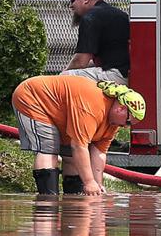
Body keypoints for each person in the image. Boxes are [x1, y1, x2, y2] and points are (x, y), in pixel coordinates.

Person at [11, 75, 145, 195]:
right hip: (33, 98)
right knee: (49, 150)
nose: (125, 127)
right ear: (120, 108)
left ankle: (73, 200)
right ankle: (48, 203)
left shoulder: (113, 122)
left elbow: (99, 153)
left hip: (59, 112)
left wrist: (97, 185)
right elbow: (79, 147)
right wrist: (88, 182)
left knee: (71, 158)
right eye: (128, 121)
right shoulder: (93, 107)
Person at [62, 0, 129, 83]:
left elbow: (80, 62)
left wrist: (64, 72)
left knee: (63, 78)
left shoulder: (90, 17)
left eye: (72, 0)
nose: (70, 6)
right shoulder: (119, 14)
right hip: (127, 73)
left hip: (115, 75)